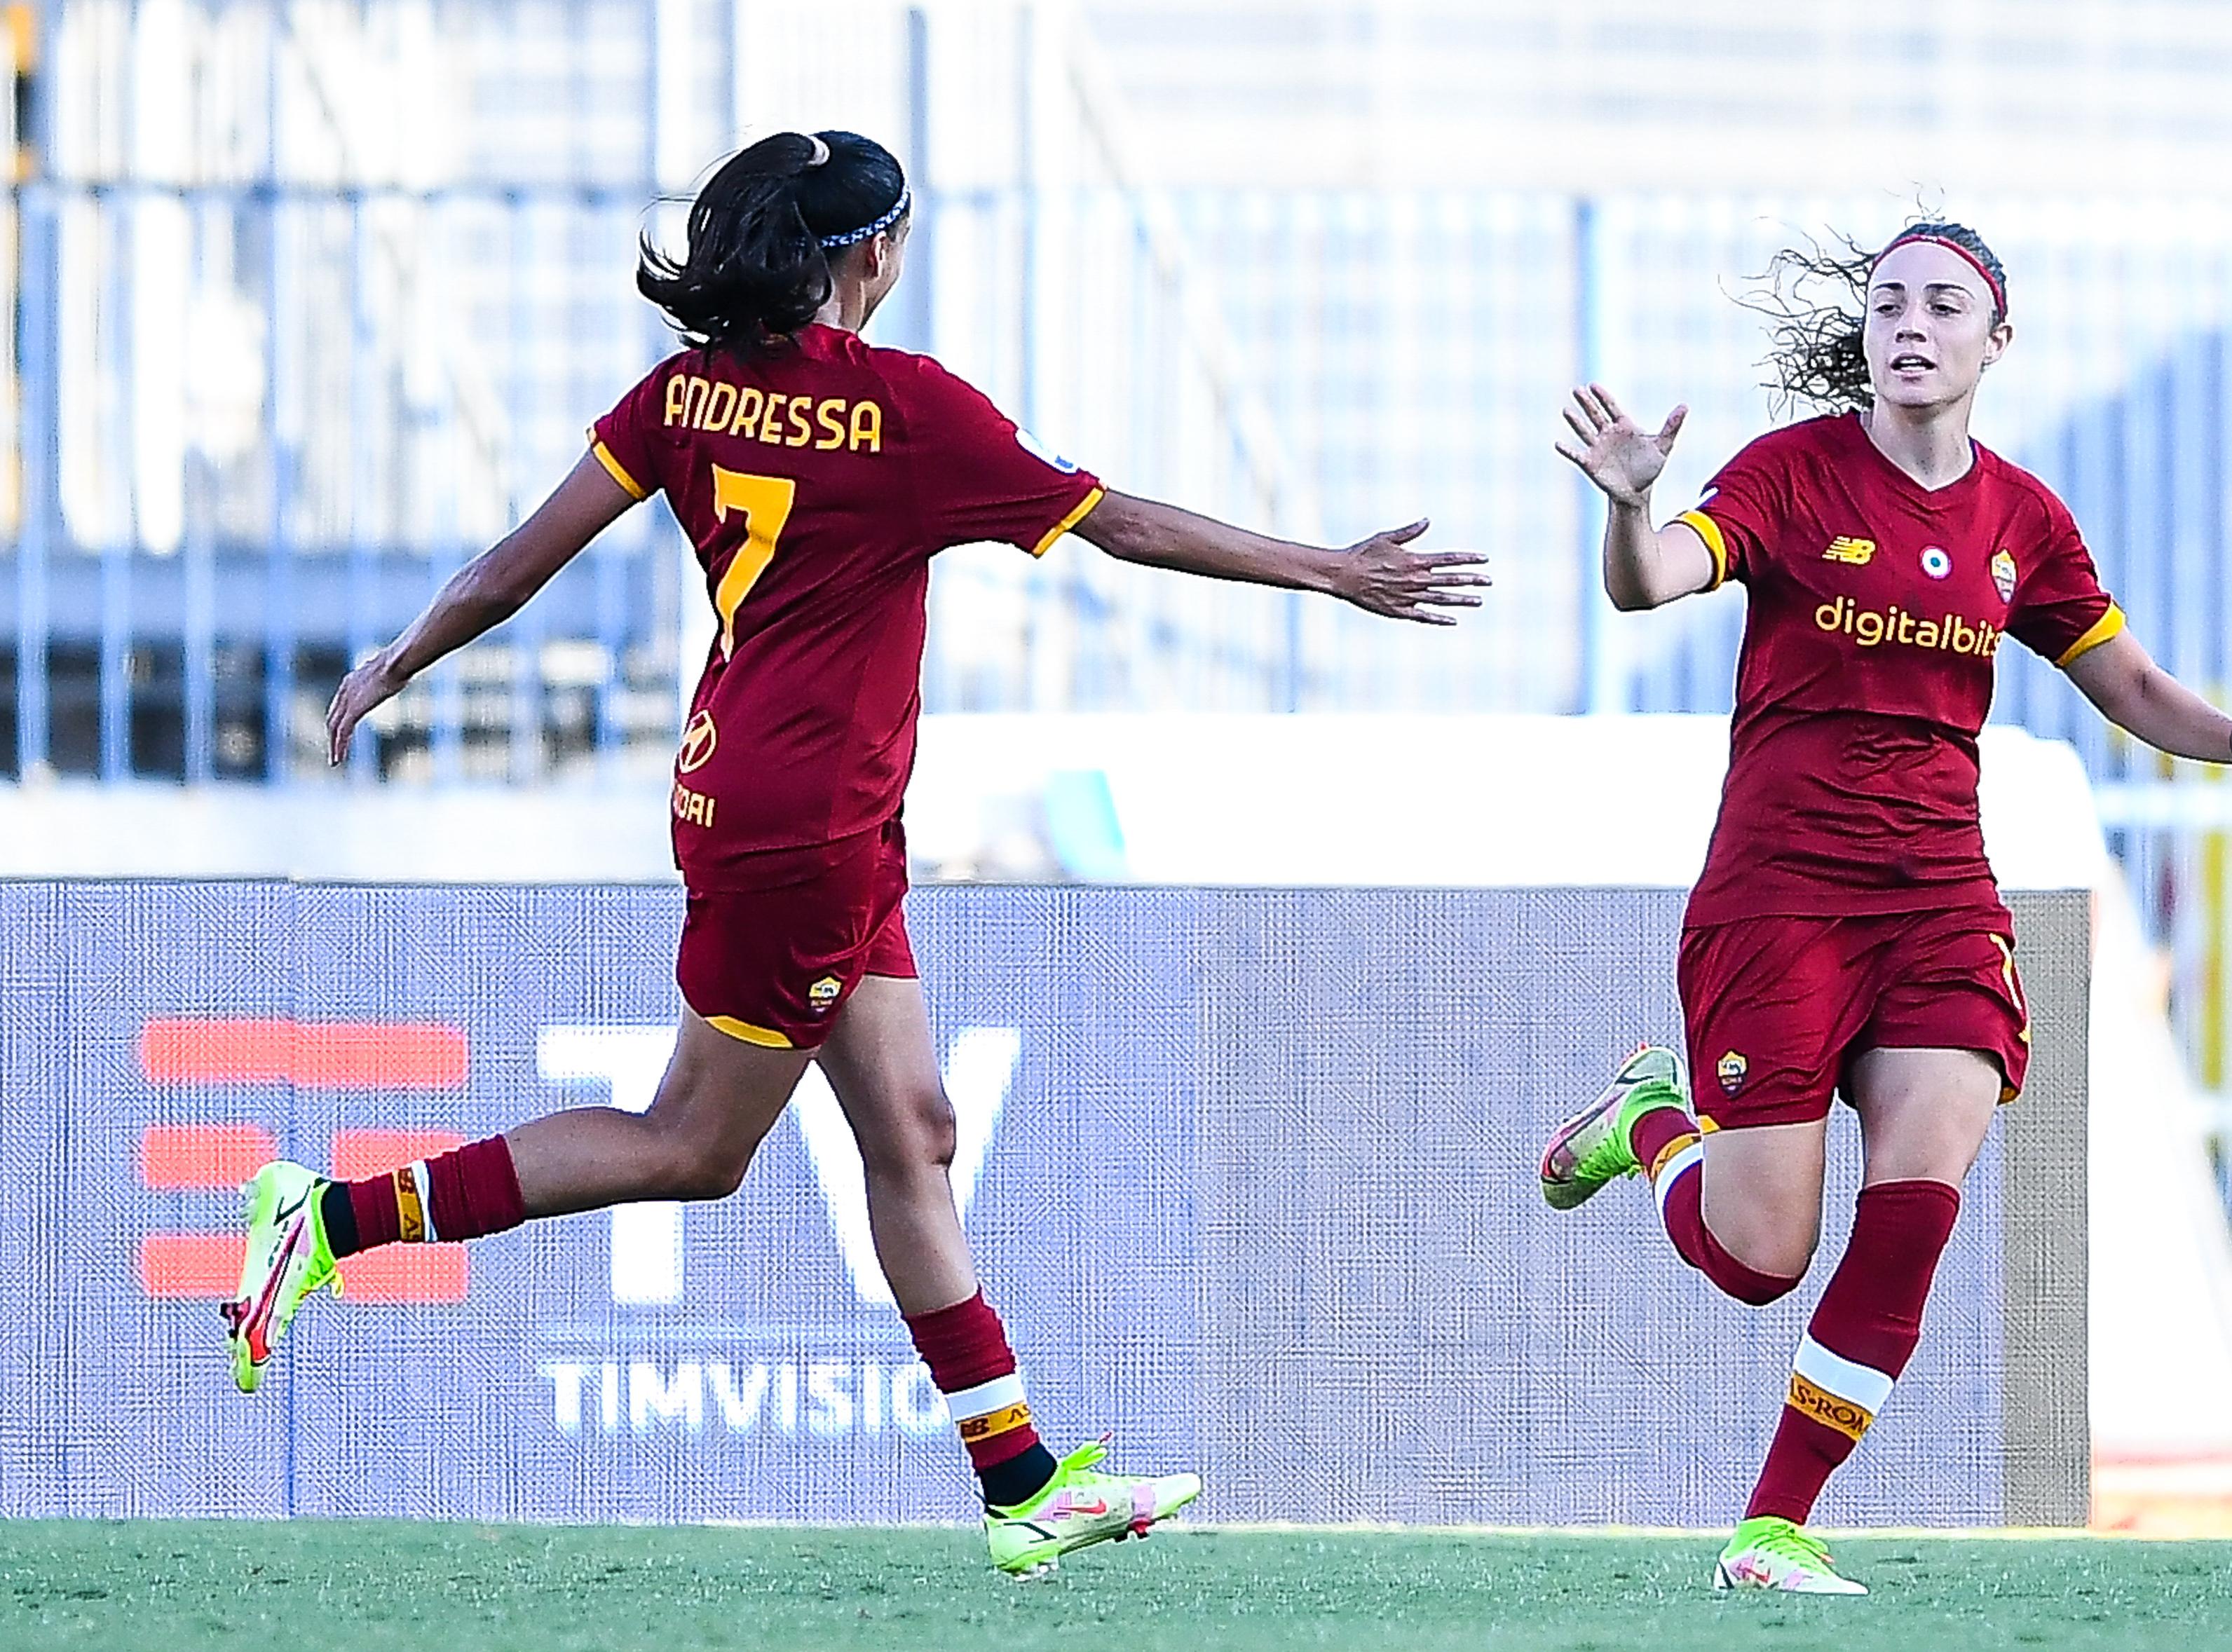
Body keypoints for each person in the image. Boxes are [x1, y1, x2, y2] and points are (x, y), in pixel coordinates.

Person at [222, 128, 1488, 1577]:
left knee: (915, 1130)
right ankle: (324, 1216)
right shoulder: (909, 415)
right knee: (688, 1149)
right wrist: (1328, 569)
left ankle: (1020, 1481)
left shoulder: (687, 395)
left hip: (760, 795)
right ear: (871, 253)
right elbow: (1118, 524)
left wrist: (398, 659)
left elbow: (516, 563)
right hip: (807, 831)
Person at [1538, 220, 2232, 1595]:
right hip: (1776, 899)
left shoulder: (2020, 518)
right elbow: (1650, 579)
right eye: (1887, 302)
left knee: (1917, 1197)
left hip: (1937, 903)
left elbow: (2128, 687)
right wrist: (1624, 505)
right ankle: (1648, 1123)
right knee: (1758, 1261)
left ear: (1992, 341)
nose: (1907, 323)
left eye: (1940, 304)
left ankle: (1771, 1527)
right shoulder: (1790, 476)